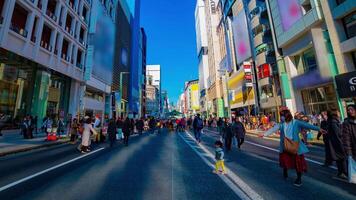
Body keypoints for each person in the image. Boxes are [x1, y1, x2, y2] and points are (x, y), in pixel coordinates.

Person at [259, 108, 325, 187]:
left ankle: (299, 178)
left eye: (282, 116)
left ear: (286, 116)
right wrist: (264, 134)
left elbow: (307, 125)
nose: (281, 118)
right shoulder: (281, 124)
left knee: (298, 163)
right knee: (285, 161)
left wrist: (319, 129)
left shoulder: (296, 122)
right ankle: (285, 170)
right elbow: (273, 129)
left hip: (295, 146)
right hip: (285, 146)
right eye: (281, 116)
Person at [326, 109, 348, 179]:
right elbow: (339, 133)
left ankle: (341, 172)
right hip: (338, 143)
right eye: (338, 112)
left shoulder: (332, 121)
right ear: (334, 113)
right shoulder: (333, 122)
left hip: (336, 142)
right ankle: (343, 172)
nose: (339, 113)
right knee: (343, 158)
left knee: (339, 158)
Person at [342, 104, 356, 183]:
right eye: (348, 110)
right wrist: (349, 153)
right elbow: (346, 139)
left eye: (352, 109)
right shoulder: (347, 123)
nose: (350, 111)